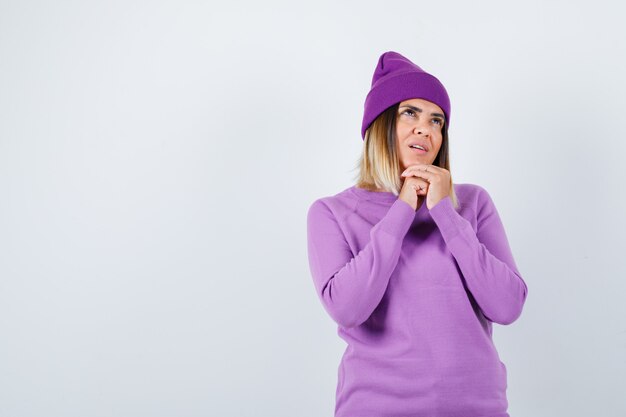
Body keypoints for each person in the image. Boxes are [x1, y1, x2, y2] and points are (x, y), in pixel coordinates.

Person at [306, 51, 529, 417]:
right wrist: (403, 209)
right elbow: (347, 308)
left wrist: (444, 211)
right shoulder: (332, 213)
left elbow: (507, 306)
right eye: (409, 113)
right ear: (380, 123)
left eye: (436, 120)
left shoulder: (472, 203)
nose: (425, 128)